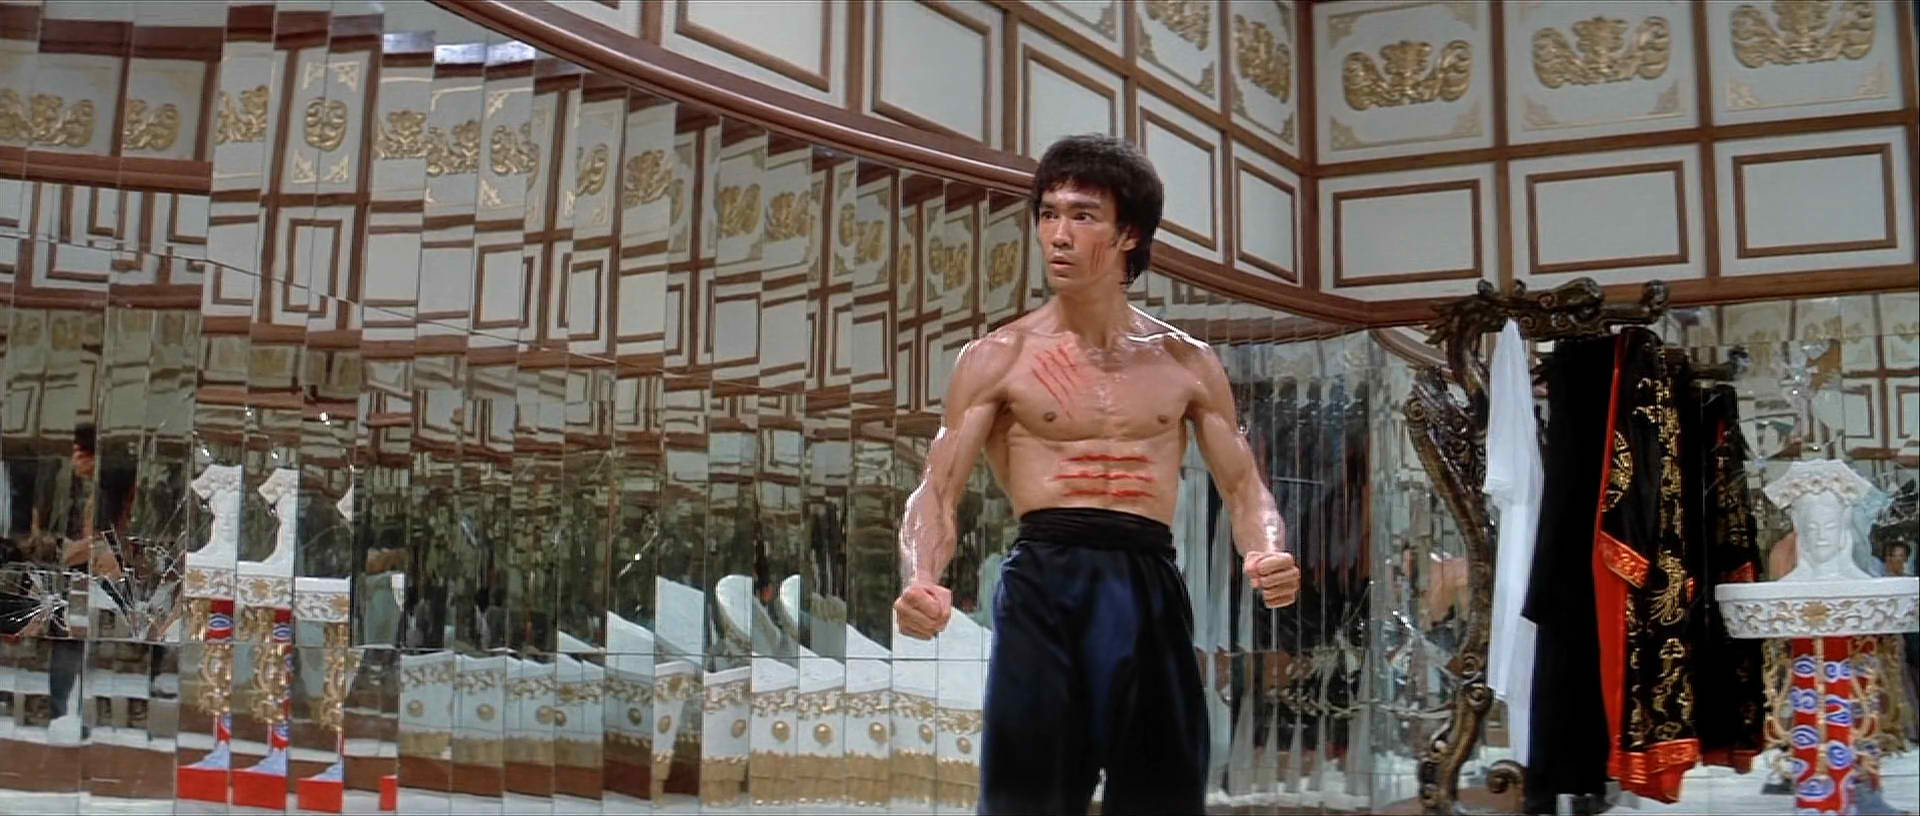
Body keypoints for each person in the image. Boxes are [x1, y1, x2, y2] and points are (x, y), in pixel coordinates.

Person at [891, 134, 1301, 815]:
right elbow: (937, 487)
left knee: (1162, 788)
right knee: (1030, 794)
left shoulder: (1185, 361)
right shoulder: (999, 356)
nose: (1058, 235)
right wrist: (921, 577)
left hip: (1148, 578)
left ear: (1128, 234)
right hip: (1046, 578)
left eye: (1082, 216)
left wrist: (1266, 548)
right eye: (1048, 214)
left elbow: (1241, 483)